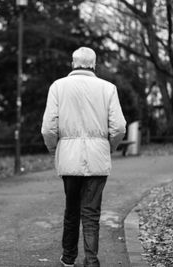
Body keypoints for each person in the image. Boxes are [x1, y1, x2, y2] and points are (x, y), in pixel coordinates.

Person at [41, 47, 126, 267]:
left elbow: (48, 129)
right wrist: (109, 147)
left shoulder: (58, 87)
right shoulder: (108, 88)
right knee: (91, 213)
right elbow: (119, 127)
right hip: (97, 159)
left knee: (71, 210)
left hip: (69, 159)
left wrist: (55, 149)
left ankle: (68, 258)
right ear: (94, 65)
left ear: (73, 64)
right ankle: (91, 260)